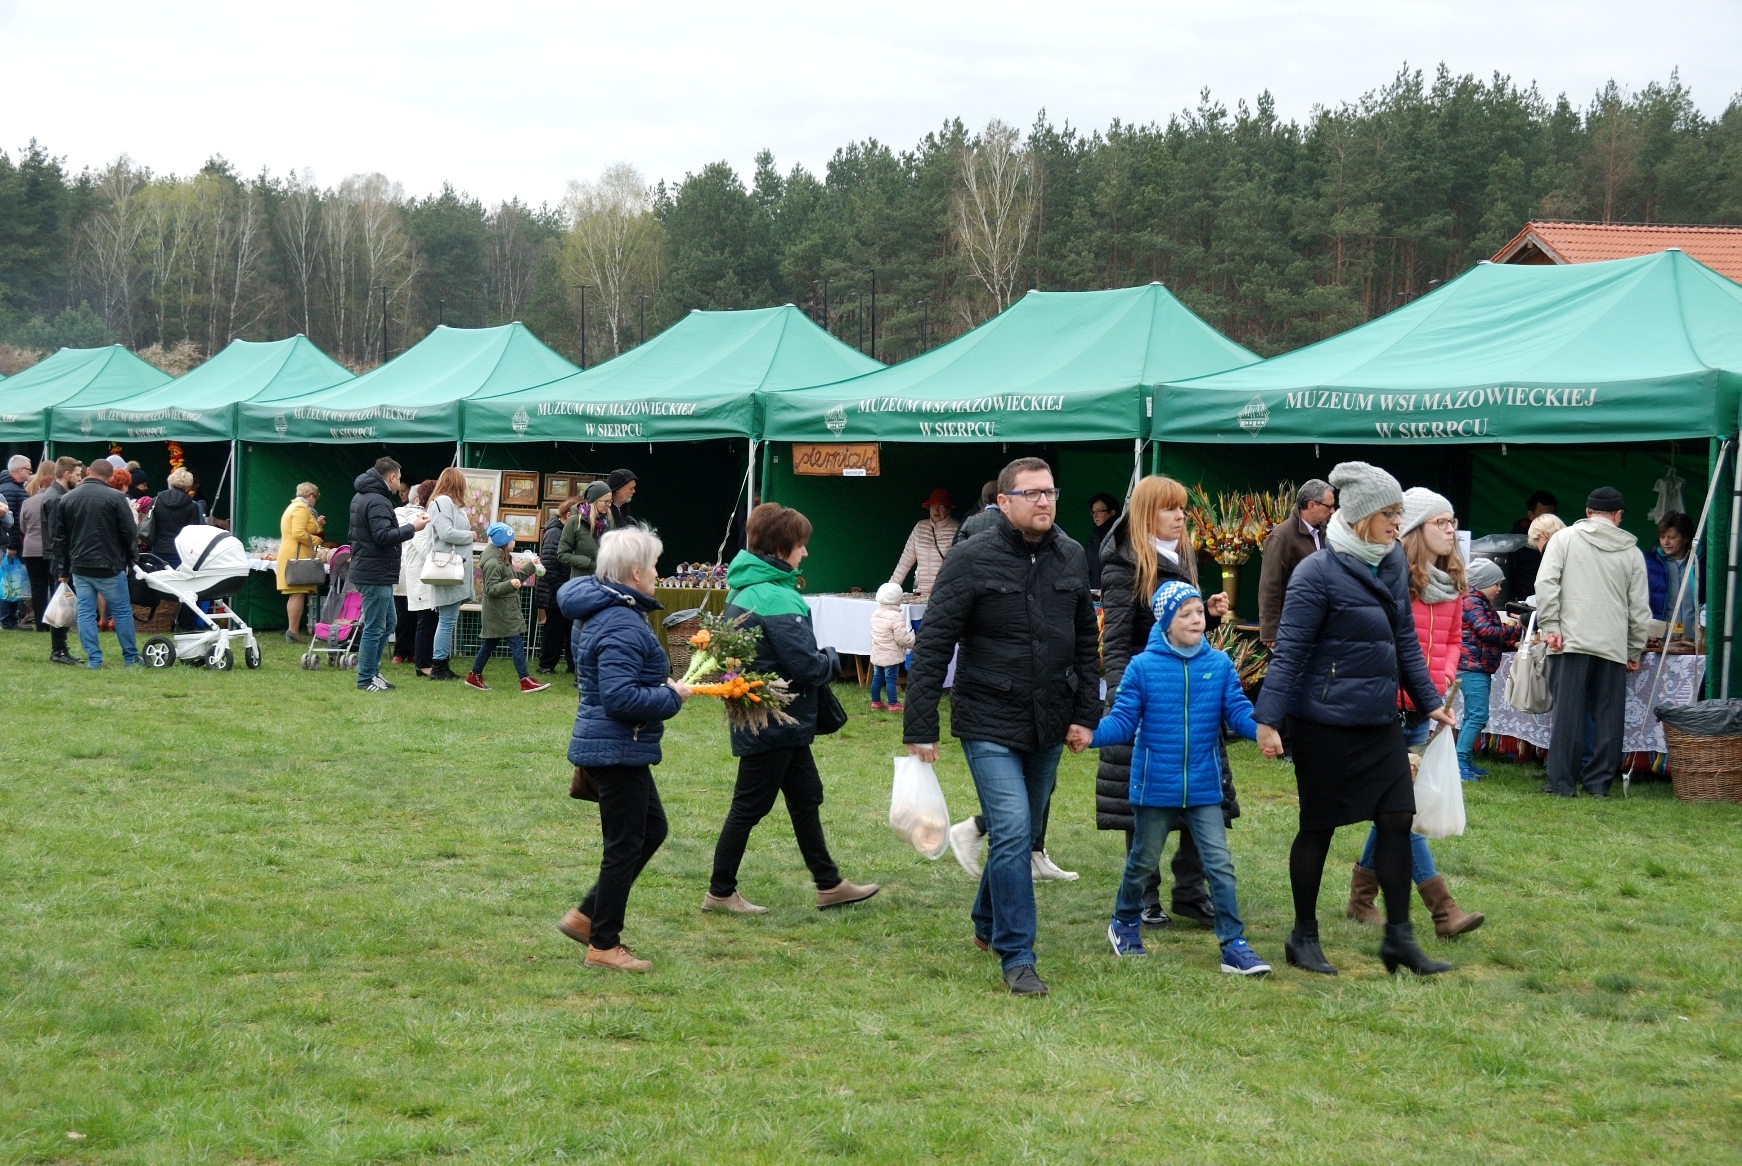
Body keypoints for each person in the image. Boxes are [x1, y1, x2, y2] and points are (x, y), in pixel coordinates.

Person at [905, 457, 1100, 997]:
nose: (1044, 501)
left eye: (1050, 492)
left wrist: (1087, 713)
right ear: (1005, 502)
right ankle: (1018, 956)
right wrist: (921, 724)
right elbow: (935, 643)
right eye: (1031, 493)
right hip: (987, 716)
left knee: (1022, 825)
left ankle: (987, 923)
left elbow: (1087, 642)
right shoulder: (970, 558)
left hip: (1050, 718)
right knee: (1013, 829)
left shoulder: (1071, 555)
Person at [1255, 461, 1454, 977]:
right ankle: (1302, 936)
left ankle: (1399, 939)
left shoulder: (1388, 562)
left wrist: (1429, 699)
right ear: (1363, 515)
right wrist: (1268, 719)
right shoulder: (1315, 572)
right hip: (1324, 722)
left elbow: (1403, 639)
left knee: (1396, 818)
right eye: (1390, 514)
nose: (1397, 524)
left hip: (1377, 718)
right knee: (1318, 827)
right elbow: (1291, 650)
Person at [704, 503, 880, 915]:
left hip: (769, 715)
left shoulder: (744, 588)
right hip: (775, 719)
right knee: (749, 806)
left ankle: (829, 884)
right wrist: (833, 658)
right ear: (784, 547)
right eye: (802, 545)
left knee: (805, 797)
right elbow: (806, 665)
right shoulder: (775, 595)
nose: (806, 554)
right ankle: (720, 891)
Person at [1090, 581, 1271, 974]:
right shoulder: (1142, 667)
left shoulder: (1219, 664)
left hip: (1205, 787)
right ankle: (1123, 923)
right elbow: (1121, 723)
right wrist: (1089, 736)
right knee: (1141, 861)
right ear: (1166, 622)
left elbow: (1238, 712)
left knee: (1219, 864)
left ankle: (1233, 944)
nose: (1196, 619)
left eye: (1198, 611)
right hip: (1155, 786)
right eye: (1185, 613)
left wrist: (1261, 731)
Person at [1084, 474, 1233, 926]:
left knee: (1204, 792)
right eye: (1171, 509)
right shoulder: (1124, 562)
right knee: (1145, 800)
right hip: (1151, 693)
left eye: (1183, 509)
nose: (1180, 517)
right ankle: (1145, 895)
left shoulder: (1182, 552)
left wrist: (1204, 612)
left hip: (1195, 691)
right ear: (1148, 512)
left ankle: (1191, 890)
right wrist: (1120, 695)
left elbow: (1174, 616)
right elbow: (1117, 637)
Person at [1344, 488, 1484, 940]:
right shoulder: (1392, 578)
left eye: (1452, 522)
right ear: (1415, 530)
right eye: (1440, 523)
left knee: (1394, 807)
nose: (1450, 530)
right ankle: (1442, 909)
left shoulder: (1454, 582)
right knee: (1398, 808)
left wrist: (1438, 685)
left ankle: (1361, 897)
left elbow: (1452, 643)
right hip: (1385, 706)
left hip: (1425, 707)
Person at [554, 525, 692, 972]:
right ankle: (603, 942)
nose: (657, 572)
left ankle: (586, 916)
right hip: (616, 747)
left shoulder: (611, 612)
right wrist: (672, 696)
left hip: (617, 747)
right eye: (653, 565)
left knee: (649, 831)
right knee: (625, 844)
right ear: (635, 572)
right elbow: (619, 698)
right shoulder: (619, 622)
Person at [1534, 486, 1651, 798]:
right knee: (1608, 719)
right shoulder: (1632, 552)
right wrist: (1634, 648)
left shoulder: (1563, 539)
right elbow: (1640, 609)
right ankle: (1599, 784)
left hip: (1569, 640)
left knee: (1567, 715)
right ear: (1618, 516)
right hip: (1612, 646)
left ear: (1587, 512)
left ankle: (1561, 784)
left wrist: (1550, 626)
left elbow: (1546, 584)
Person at [348, 457, 429, 692]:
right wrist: (413, 527)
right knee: (375, 626)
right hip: (375, 572)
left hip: (373, 569)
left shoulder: (363, 496)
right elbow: (383, 536)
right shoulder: (378, 501)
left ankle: (373, 672)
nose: (399, 484)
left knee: (389, 622)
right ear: (392, 477)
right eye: (399, 479)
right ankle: (366, 678)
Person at [51, 459, 142, 669]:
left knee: (85, 611)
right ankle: (130, 657)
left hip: (80, 564)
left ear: (88, 471)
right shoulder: (116, 497)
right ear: (110, 477)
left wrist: (63, 569)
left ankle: (94, 659)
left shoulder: (67, 498)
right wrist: (132, 555)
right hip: (109, 564)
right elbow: (129, 531)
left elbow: (60, 538)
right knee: (121, 610)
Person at [464, 522, 549, 693]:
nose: (515, 542)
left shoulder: (503, 557)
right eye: (512, 539)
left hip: (503, 609)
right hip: (500, 611)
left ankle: (474, 675)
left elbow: (515, 576)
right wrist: (509, 584)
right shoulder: (494, 563)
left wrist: (531, 566)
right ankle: (524, 679)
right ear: (504, 542)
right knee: (515, 642)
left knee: (490, 643)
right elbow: (490, 589)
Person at [1456, 557, 1520, 781]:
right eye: (1496, 583)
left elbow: (1485, 635)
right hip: (1472, 667)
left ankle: (1462, 761)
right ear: (1484, 582)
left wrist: (1509, 641)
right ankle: (1459, 763)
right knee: (1478, 716)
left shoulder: (1477, 602)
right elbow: (1486, 631)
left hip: (1476, 666)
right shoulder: (1472, 601)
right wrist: (1516, 630)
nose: (1499, 588)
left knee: (1473, 716)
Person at [1258, 479, 1335, 647]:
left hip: (1322, 629)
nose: (1333, 511)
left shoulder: (1327, 533)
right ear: (1311, 505)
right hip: (1292, 629)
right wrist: (1270, 631)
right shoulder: (1282, 536)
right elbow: (1270, 586)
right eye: (1328, 506)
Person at [21, 457, 83, 664]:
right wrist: (63, 567)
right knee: (61, 604)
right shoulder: (56, 498)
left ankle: (60, 648)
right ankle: (59, 649)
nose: (79, 478)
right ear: (66, 475)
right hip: (59, 557)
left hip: (57, 556)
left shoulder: (56, 495)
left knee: (62, 602)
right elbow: (58, 536)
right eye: (77, 474)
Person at [423, 468, 476, 683]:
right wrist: (470, 535)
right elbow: (445, 533)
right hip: (447, 568)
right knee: (446, 620)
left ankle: (441, 664)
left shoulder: (446, 503)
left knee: (448, 619)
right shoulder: (443, 502)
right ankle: (439, 666)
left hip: (451, 569)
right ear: (456, 484)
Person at [149, 468, 207, 631]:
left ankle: (156, 622)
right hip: (182, 553)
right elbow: (196, 532)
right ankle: (185, 623)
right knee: (188, 589)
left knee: (160, 587)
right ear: (188, 486)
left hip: (159, 551)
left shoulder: (156, 501)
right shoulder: (192, 506)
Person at [535, 496, 580, 675]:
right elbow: (548, 567)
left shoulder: (563, 531)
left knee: (569, 628)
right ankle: (545, 665)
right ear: (568, 515)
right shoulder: (555, 533)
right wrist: (564, 588)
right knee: (554, 629)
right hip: (554, 590)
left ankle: (572, 665)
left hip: (561, 588)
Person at [276, 483, 325, 643]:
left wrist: (317, 525)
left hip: (293, 554)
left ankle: (293, 630)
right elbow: (298, 533)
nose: (315, 501)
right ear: (311, 496)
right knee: (298, 593)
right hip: (297, 556)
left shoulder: (294, 507)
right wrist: (317, 539)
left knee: (296, 594)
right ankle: (293, 631)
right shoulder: (301, 509)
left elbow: (303, 528)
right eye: (315, 498)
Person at [890, 488, 959, 596]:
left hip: (946, 592)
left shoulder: (957, 529)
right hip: (921, 592)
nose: (936, 510)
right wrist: (890, 589)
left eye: (941, 506)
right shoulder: (920, 527)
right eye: (932, 506)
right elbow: (905, 561)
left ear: (949, 509)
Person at [396, 480, 434, 671]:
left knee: (417, 618)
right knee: (413, 618)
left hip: (414, 573)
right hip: (415, 574)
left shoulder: (416, 515)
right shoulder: (415, 517)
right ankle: (415, 658)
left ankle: (416, 654)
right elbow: (424, 548)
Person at [1645, 512, 1700, 636]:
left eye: (1672, 537)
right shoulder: (1650, 564)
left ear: (1685, 538)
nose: (1666, 542)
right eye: (1662, 537)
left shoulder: (1698, 563)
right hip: (1660, 638)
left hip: (1695, 639)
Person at [868, 580, 914, 711]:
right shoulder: (896, 616)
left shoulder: (876, 613)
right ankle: (893, 704)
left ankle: (875, 702)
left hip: (877, 652)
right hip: (891, 654)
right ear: (896, 600)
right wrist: (912, 642)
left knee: (877, 678)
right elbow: (901, 638)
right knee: (891, 679)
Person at [1507, 491, 1560, 599]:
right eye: (1544, 515)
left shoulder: (1563, 538)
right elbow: (1510, 574)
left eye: (1552, 515)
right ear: (1531, 515)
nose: (1548, 520)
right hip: (1523, 598)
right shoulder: (1518, 539)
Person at [0, 454, 29, 629]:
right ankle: (8, 619)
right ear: (19, 470)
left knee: (10, 580)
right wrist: (12, 544)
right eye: (28, 468)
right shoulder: (10, 490)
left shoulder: (12, 489)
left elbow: (11, 519)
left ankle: (11, 618)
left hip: (10, 542)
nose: (31, 472)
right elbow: (11, 524)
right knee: (7, 580)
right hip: (7, 543)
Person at [1085, 492, 1121, 587]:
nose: (1095, 515)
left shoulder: (1122, 536)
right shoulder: (1092, 540)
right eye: (1093, 512)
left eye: (1099, 511)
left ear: (1112, 513)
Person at [953, 480, 1002, 546]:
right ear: (1002, 498)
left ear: (983, 499)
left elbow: (958, 547)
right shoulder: (1012, 522)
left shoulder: (970, 520)